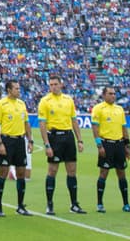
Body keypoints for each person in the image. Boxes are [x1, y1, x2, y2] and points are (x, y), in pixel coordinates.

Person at [37, 74, 85, 215]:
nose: (53, 87)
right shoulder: (45, 101)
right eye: (51, 84)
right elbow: (42, 124)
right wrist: (46, 144)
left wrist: (79, 140)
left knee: (72, 170)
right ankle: (50, 204)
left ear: (61, 84)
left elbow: (74, 120)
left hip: (68, 136)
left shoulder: (68, 100)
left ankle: (74, 204)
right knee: (52, 170)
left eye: (55, 84)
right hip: (54, 137)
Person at [90, 86, 130, 214]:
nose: (113, 96)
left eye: (114, 94)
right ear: (104, 95)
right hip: (106, 144)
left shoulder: (119, 109)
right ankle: (99, 204)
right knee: (104, 172)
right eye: (110, 93)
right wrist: (99, 145)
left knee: (121, 173)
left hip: (119, 144)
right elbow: (95, 128)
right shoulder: (98, 108)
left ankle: (126, 204)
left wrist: (127, 145)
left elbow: (124, 128)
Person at [0, 79, 33, 216]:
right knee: (3, 172)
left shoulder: (21, 104)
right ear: (9, 90)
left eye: (19, 88)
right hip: (7, 141)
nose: (19, 90)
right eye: (16, 88)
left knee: (21, 173)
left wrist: (30, 140)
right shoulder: (1, 104)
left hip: (20, 141)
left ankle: (20, 206)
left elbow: (26, 123)